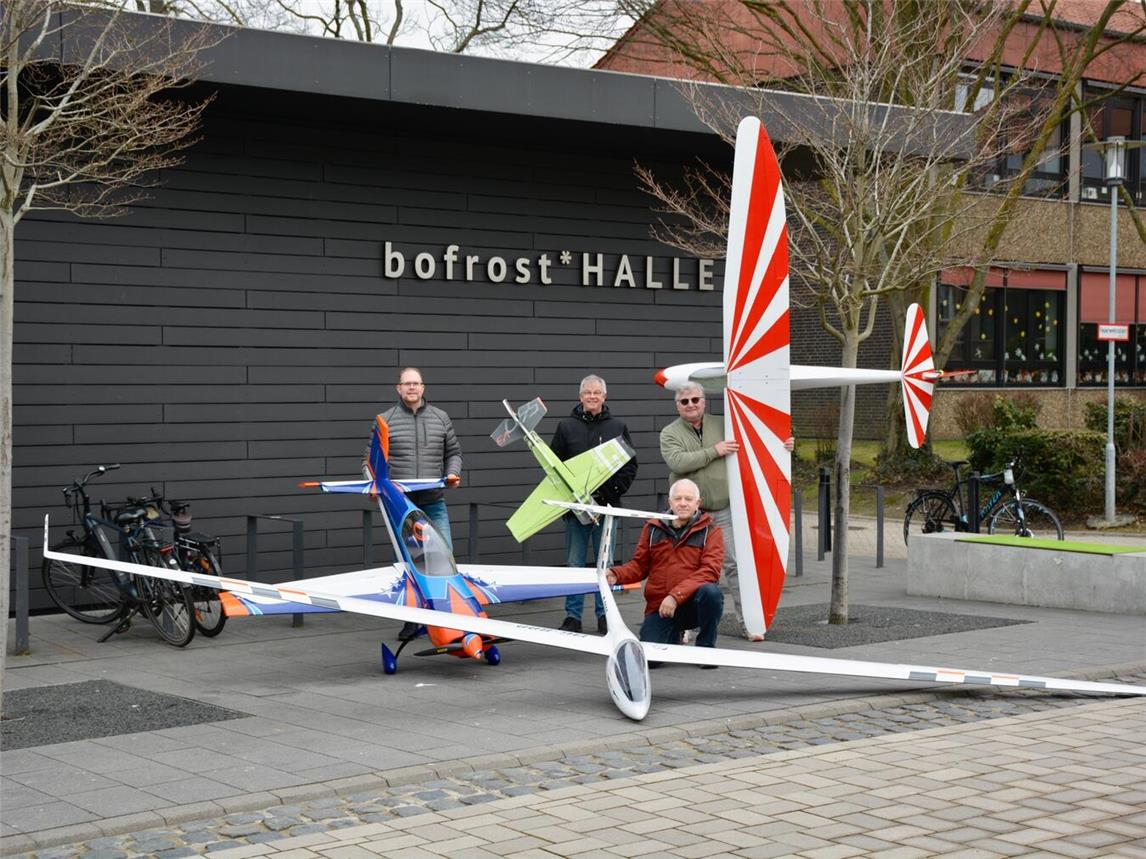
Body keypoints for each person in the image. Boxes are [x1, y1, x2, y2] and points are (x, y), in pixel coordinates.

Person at [659, 382, 793, 642]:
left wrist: (783, 443)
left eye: (695, 399)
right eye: (684, 401)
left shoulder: (724, 423)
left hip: (724, 510)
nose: (691, 405)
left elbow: (757, 439)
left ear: (704, 401)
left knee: (734, 566)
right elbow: (677, 462)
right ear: (677, 405)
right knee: (688, 570)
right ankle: (688, 626)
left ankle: (749, 624)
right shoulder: (669, 432)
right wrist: (714, 451)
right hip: (690, 515)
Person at [366, 367, 462, 639]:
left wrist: (454, 472)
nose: (411, 388)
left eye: (416, 383)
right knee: (411, 564)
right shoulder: (385, 420)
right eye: (406, 384)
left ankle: (447, 619)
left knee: (445, 559)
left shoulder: (440, 418)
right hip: (403, 507)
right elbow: (369, 462)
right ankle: (412, 620)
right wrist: (373, 484)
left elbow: (454, 452)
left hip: (433, 502)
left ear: (423, 387)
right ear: (398, 388)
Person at [551, 374, 637, 635]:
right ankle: (573, 617)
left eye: (596, 392)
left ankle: (604, 615)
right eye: (587, 392)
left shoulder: (617, 427)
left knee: (605, 564)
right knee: (575, 563)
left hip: (607, 508)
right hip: (575, 510)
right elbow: (555, 468)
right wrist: (572, 498)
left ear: (604, 396)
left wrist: (609, 493)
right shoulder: (566, 427)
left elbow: (629, 466)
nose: (592, 396)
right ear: (580, 397)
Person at [606, 479, 723, 662]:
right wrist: (616, 574)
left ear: (697, 504)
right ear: (670, 502)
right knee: (650, 661)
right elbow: (639, 565)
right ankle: (675, 634)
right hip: (661, 607)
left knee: (712, 593)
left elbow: (710, 571)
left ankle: (706, 648)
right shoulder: (653, 528)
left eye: (688, 499)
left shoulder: (712, 531)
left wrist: (675, 596)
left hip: (692, 604)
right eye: (677, 498)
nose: (683, 503)